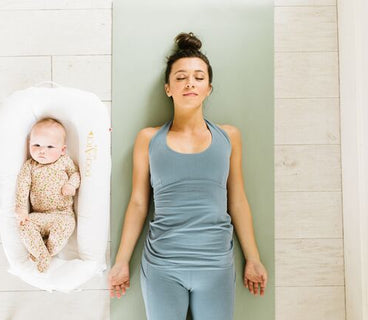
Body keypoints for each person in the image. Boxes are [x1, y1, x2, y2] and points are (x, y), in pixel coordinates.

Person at [108, 32, 268, 319]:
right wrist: (121, 261)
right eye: (180, 77)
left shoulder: (229, 136)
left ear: (208, 88)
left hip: (216, 265)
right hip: (162, 265)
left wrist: (253, 258)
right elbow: (138, 204)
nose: (190, 83)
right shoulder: (148, 139)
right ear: (168, 88)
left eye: (198, 77)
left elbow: (239, 200)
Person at [15, 117, 81, 272]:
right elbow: (22, 186)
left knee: (66, 227)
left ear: (62, 150)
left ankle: (44, 252)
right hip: (38, 215)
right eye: (36, 145)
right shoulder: (30, 166)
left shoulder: (64, 161)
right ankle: (42, 253)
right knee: (24, 225)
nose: (41, 150)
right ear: (29, 144)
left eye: (50, 146)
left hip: (62, 214)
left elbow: (76, 174)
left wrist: (71, 185)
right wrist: (21, 208)